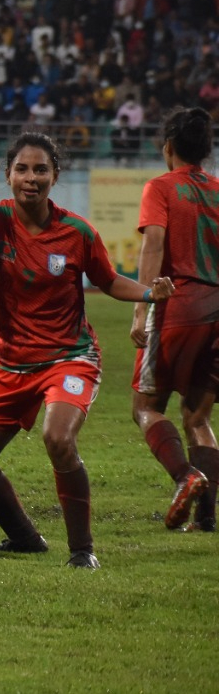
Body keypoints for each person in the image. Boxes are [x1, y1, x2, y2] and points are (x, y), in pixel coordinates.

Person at [0, 133, 175, 569]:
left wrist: (148, 294)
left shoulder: (77, 231)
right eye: (23, 169)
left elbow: (107, 281)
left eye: (41, 170)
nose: (31, 178)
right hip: (12, 363)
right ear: (9, 174)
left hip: (71, 357)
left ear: (56, 176)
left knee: (58, 438)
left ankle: (82, 551)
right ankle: (25, 538)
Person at [130, 106, 217, 531]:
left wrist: (142, 304)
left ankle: (187, 477)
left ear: (168, 147)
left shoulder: (161, 187)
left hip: (180, 304)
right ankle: (206, 520)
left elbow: (154, 246)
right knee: (198, 417)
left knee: (145, 406)